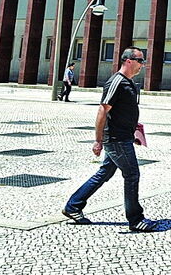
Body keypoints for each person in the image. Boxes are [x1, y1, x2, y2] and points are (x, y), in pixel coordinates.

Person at [63, 47, 158, 233]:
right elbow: (102, 110)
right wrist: (98, 140)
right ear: (128, 61)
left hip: (124, 136)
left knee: (104, 173)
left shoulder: (128, 82)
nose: (143, 64)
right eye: (140, 60)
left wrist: (135, 130)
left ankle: (73, 206)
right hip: (116, 139)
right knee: (132, 175)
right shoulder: (117, 82)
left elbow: (123, 112)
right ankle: (136, 220)